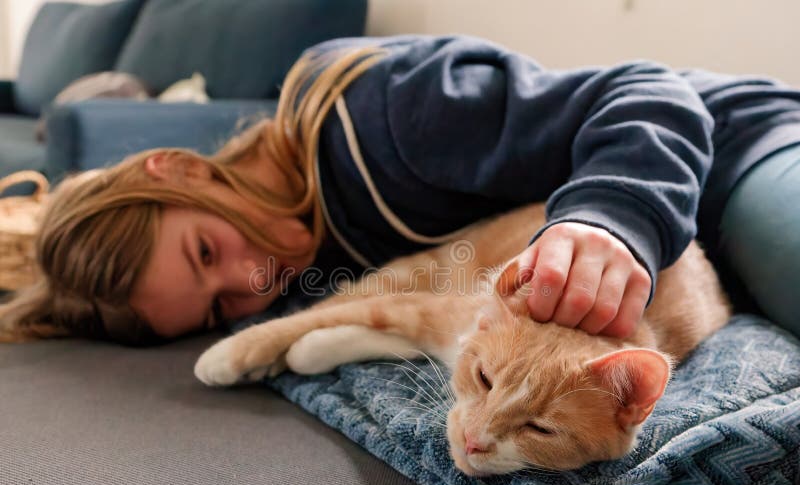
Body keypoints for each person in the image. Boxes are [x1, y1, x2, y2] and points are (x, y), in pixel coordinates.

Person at [1, 35, 799, 345]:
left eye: (206, 249)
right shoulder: (312, 256)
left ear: (175, 168)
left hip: (734, 149)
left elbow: (654, 93)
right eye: (215, 309)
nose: (248, 283)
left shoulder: (386, 119)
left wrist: (613, 223)